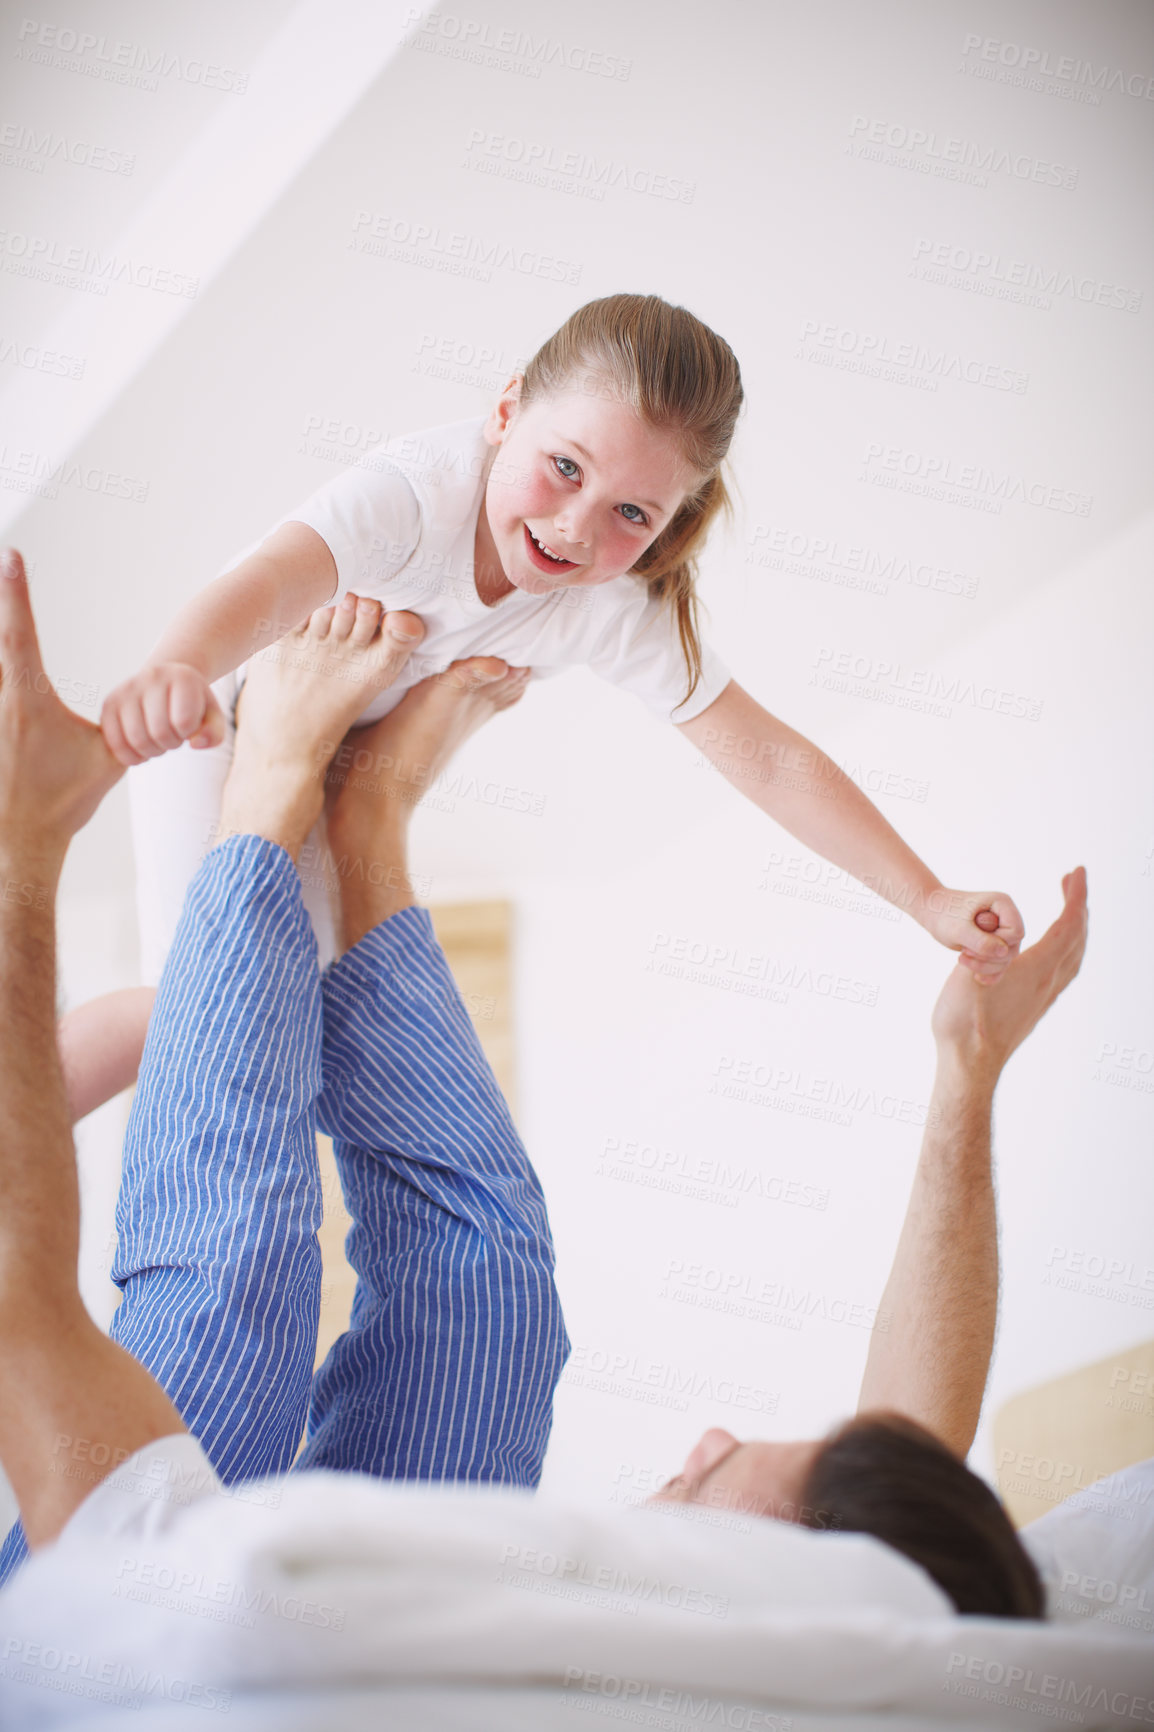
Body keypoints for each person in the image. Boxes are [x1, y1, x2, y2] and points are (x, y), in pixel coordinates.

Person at [0, 546, 1085, 1620]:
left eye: (747, 1473)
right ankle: (366, 824)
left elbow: (39, 1346)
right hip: (438, 1612)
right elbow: (907, 1501)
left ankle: (269, 790)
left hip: (220, 1634)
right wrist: (966, 1075)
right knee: (496, 1290)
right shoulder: (892, 1642)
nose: (704, 1440)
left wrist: (29, 848)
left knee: (239, 1295)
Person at [60, 293, 1024, 1123]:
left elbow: (765, 758)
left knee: (294, 1024)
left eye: (632, 514)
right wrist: (177, 667)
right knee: (193, 1005)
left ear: (670, 523)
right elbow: (270, 582)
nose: (576, 527)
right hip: (222, 720)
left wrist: (926, 896)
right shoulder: (413, 495)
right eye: (565, 467)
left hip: (341, 761)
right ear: (507, 410)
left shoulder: (612, 603)